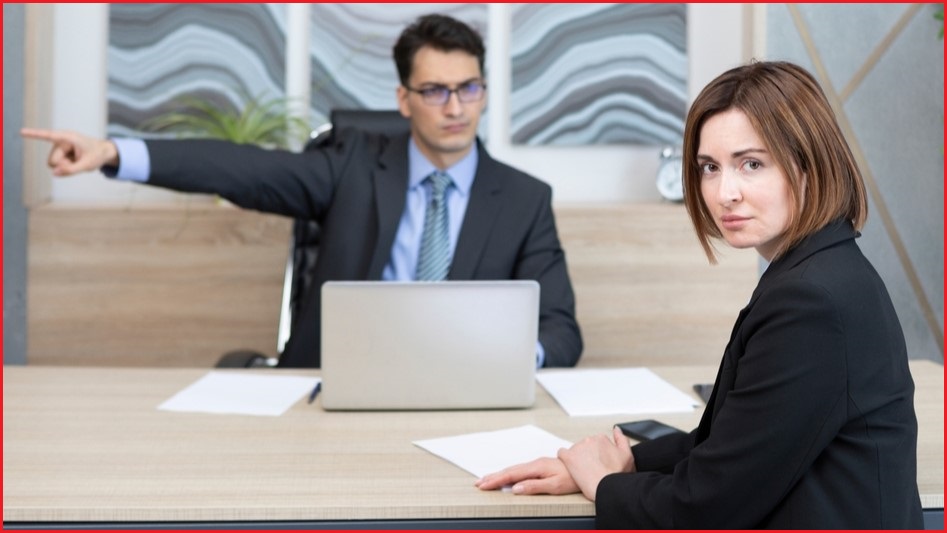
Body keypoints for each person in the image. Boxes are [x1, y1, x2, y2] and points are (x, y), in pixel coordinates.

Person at [476, 60, 923, 529]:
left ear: (809, 166)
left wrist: (606, 485)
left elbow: (706, 506)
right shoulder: (823, 269)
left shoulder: (812, 301)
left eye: (752, 164)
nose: (724, 192)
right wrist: (625, 463)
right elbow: (730, 444)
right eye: (710, 167)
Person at [21, 14, 583, 369]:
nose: (455, 107)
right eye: (435, 90)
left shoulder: (523, 198)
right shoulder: (352, 165)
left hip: (462, 397)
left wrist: (507, 360)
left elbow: (562, 332)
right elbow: (242, 168)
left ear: (483, 90)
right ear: (404, 98)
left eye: (468, 88)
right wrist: (117, 153)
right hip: (331, 384)